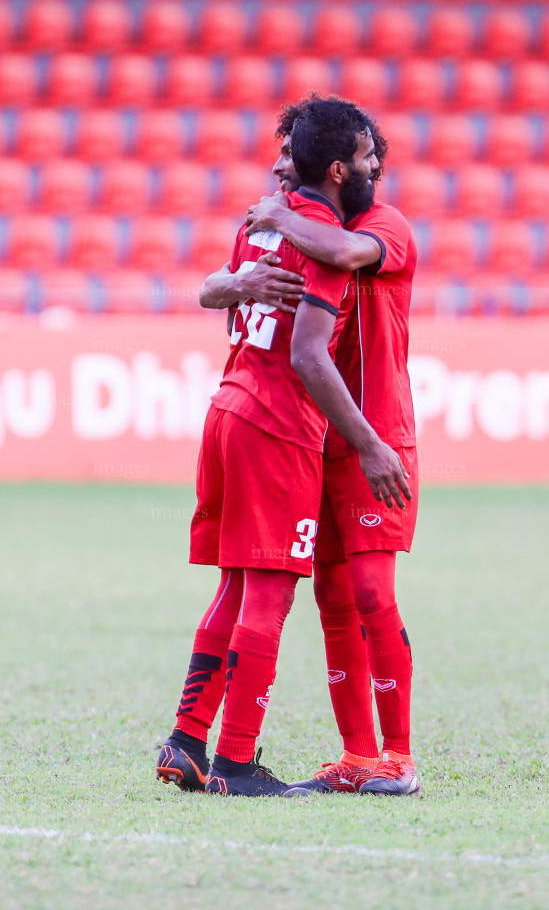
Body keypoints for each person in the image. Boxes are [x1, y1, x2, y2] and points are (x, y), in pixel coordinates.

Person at [155, 99, 411, 797]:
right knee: (268, 592)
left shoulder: (280, 225)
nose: (275, 181)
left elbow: (320, 256)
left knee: (237, 585)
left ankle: (186, 739)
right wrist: (368, 443)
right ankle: (236, 763)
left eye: (281, 170)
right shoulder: (308, 225)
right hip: (281, 425)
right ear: (336, 167)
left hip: (230, 406)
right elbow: (302, 349)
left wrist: (263, 236)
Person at [243, 126, 421, 797]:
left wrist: (281, 215)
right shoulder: (300, 229)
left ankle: (398, 757)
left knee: (373, 591)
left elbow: (345, 251)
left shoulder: (385, 226)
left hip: (377, 439)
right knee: (330, 596)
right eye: (371, 156)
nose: (380, 167)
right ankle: (355, 755)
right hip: (316, 435)